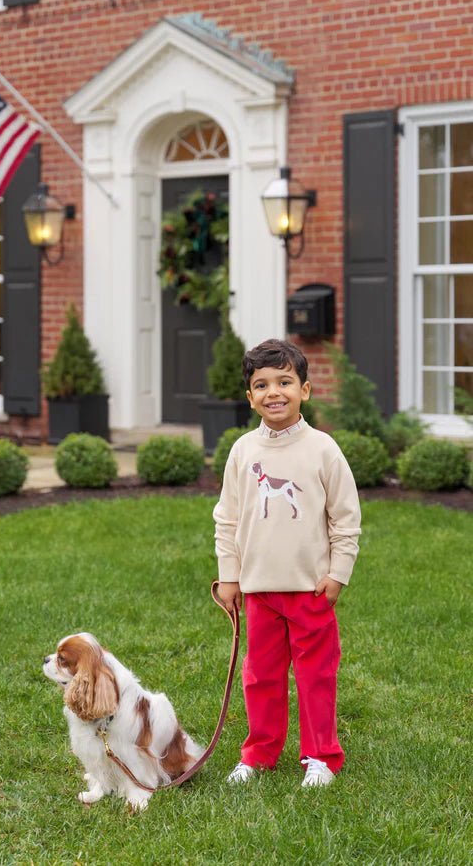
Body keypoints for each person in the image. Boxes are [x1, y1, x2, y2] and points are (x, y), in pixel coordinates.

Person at [214, 338, 361, 788]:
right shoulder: (243, 452)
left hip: (310, 588)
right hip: (258, 590)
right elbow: (227, 518)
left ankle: (321, 756)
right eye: (262, 385)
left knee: (316, 675)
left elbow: (345, 517)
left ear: (306, 390)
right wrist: (229, 577)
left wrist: (338, 573)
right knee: (260, 677)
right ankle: (259, 754)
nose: (273, 392)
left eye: (284, 382)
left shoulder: (322, 449)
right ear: (250, 397)